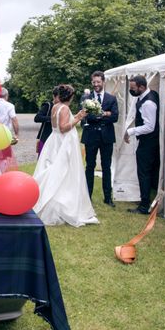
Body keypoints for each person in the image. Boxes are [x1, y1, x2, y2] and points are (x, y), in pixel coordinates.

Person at [34, 84, 98, 227]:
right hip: (63, 142)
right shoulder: (64, 108)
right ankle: (61, 206)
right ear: (70, 96)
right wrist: (79, 118)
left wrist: (76, 116)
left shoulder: (56, 106)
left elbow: (59, 124)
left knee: (55, 170)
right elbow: (63, 128)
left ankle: (52, 201)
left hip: (54, 141)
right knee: (63, 172)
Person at [124, 75, 165, 214]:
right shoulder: (152, 94)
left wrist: (130, 131)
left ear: (141, 87)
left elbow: (149, 126)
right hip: (153, 140)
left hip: (148, 141)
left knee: (144, 173)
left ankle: (144, 205)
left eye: (133, 88)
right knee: (157, 171)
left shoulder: (148, 103)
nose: (131, 91)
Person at [81, 71, 119, 207]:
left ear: (103, 82)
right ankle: (87, 197)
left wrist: (99, 115)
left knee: (106, 166)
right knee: (89, 166)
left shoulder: (111, 98)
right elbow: (85, 117)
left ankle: (108, 198)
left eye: (98, 82)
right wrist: (104, 115)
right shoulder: (86, 98)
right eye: (94, 82)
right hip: (90, 136)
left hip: (106, 137)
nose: (96, 84)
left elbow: (115, 117)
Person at [34, 87, 59, 156]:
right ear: (54, 96)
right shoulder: (48, 105)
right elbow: (37, 118)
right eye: (58, 97)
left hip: (57, 136)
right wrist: (51, 119)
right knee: (42, 157)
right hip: (45, 135)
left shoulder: (63, 107)